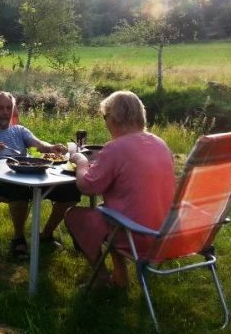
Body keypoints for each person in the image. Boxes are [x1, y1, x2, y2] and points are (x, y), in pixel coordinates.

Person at [65, 91, 176, 289]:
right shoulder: (160, 144)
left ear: (114, 118)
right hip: (167, 232)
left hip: (137, 235)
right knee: (108, 209)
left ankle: (101, 278)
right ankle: (120, 278)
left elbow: (88, 187)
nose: (105, 123)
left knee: (74, 215)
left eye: (105, 117)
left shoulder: (115, 148)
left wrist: (81, 162)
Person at [0, 91, 81, 259]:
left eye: (8, 108)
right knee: (18, 189)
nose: (5, 112)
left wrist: (51, 148)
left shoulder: (19, 130)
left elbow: (39, 144)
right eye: (0, 108)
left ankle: (46, 234)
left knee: (71, 190)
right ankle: (18, 238)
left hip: (27, 175)